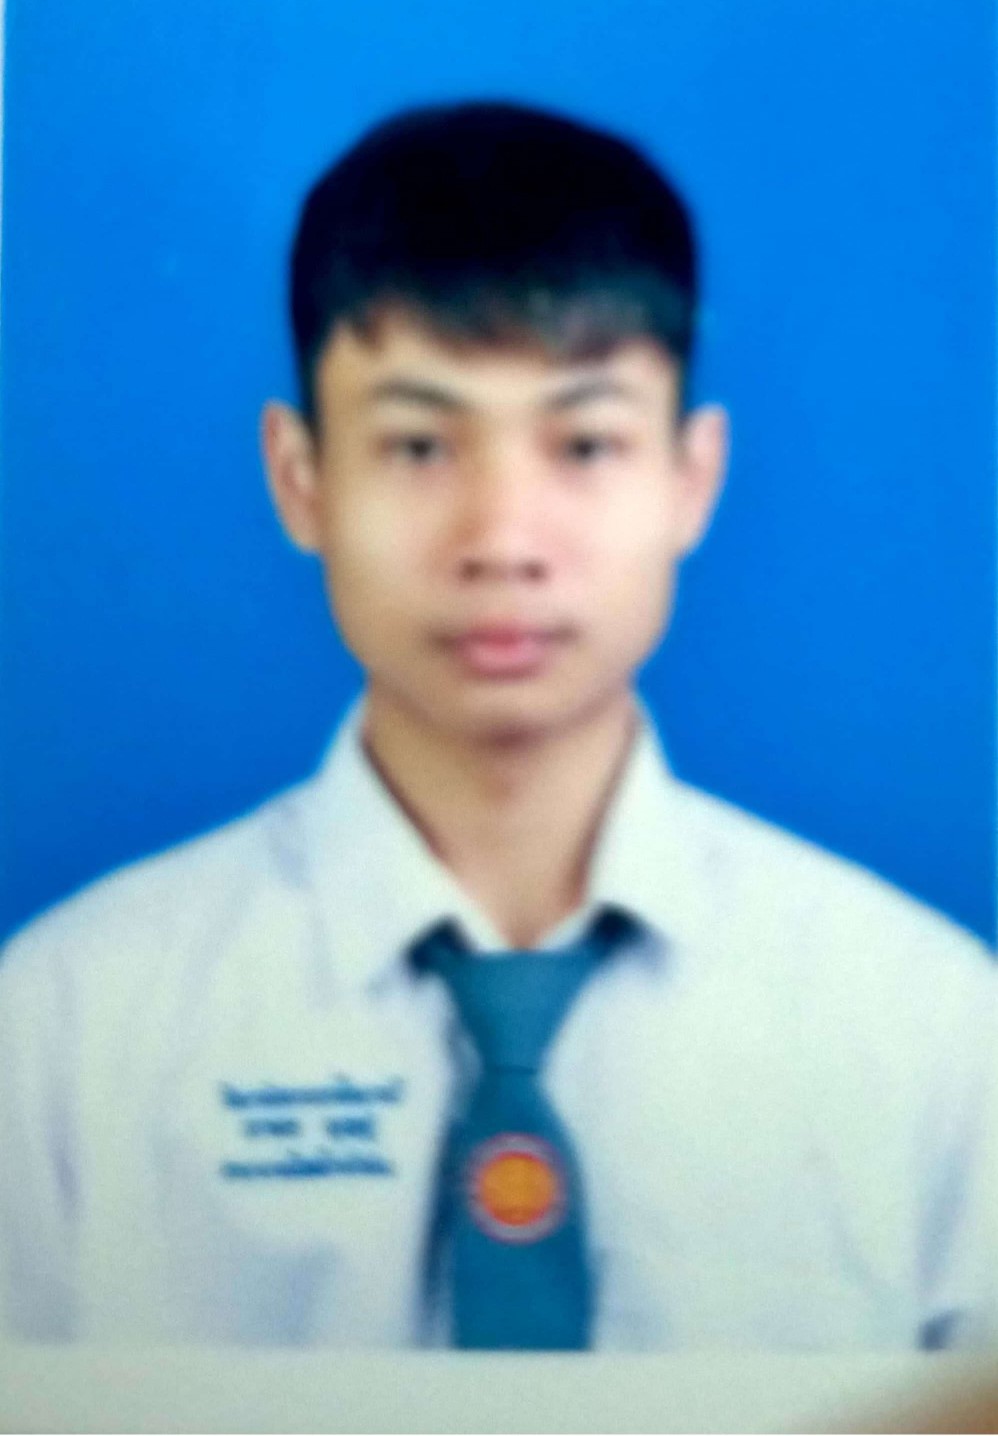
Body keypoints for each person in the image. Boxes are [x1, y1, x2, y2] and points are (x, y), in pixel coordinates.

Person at [0, 100, 994, 1351]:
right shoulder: (64, 1031)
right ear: (300, 477)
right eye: (419, 445)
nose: (503, 540)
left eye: (583, 443)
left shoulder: (931, 1033)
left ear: (690, 478)